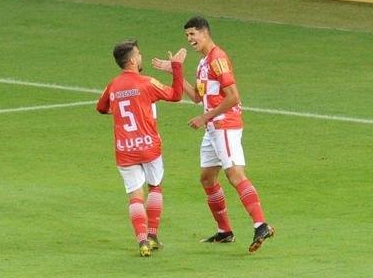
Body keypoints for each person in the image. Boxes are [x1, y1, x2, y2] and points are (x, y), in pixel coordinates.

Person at [154, 16, 274, 252]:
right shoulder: (202, 63)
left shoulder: (217, 59)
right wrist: (175, 72)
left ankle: (261, 224)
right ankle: (225, 231)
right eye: (187, 36)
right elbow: (198, 98)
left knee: (235, 175)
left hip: (224, 125)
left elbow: (233, 97)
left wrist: (204, 117)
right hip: (213, 128)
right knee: (207, 178)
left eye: (192, 34)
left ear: (205, 33)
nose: (189, 40)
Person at [96, 40, 186, 257]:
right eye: (139, 53)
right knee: (155, 187)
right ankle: (153, 235)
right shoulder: (147, 82)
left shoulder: (113, 85)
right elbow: (176, 95)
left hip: (125, 149)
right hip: (148, 146)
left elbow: (101, 107)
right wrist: (177, 67)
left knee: (135, 196)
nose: (141, 56)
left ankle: (142, 241)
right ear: (133, 60)